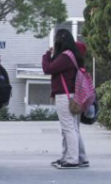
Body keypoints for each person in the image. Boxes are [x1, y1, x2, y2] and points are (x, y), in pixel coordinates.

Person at [42, 29, 89, 169]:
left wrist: (46, 54)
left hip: (65, 95)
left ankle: (72, 159)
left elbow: (48, 68)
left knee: (68, 128)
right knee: (72, 128)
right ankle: (78, 157)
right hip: (73, 95)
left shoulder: (65, 57)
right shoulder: (73, 54)